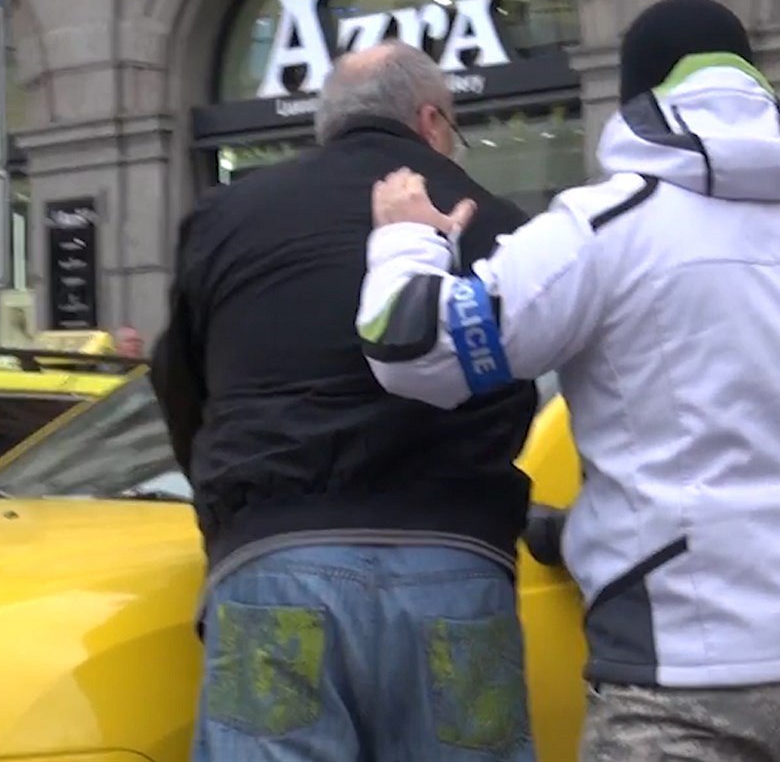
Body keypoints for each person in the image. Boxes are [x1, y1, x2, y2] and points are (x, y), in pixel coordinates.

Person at [356, 0, 780, 762]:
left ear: (636, 97)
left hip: (680, 671)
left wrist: (408, 238)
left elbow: (413, 348)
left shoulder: (601, 230)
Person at [150, 41, 541, 762]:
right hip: (453, 570)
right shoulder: (497, 222)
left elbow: (179, 379)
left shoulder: (229, 216)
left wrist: (231, 504)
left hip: (276, 564)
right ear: (431, 121)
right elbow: (519, 391)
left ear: (327, 122)